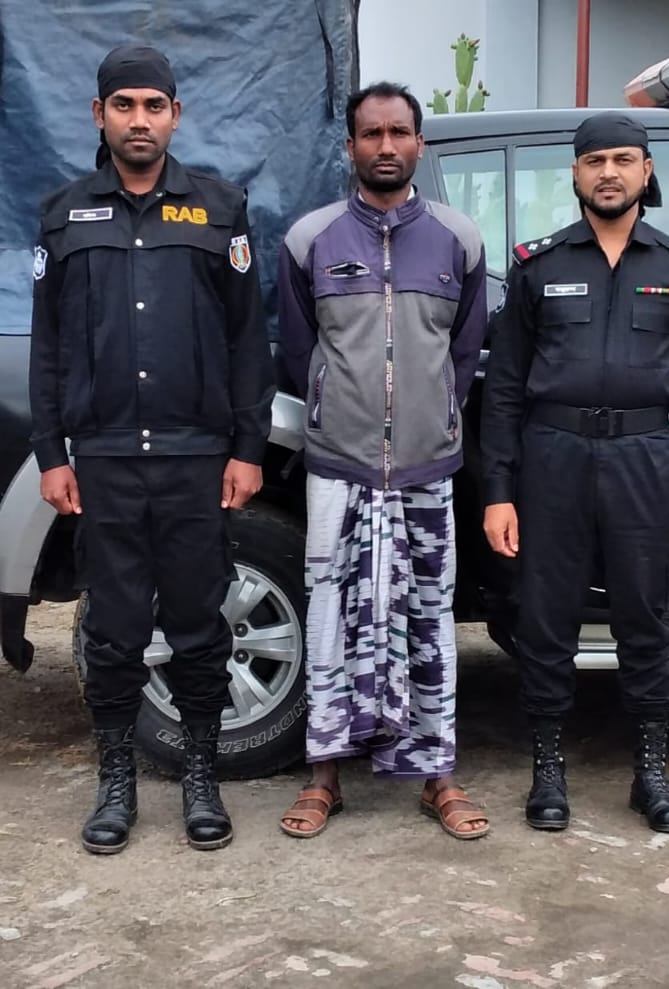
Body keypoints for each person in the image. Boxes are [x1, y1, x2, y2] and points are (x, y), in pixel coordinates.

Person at [29, 45, 275, 854]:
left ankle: (202, 776)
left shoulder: (219, 211)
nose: (140, 120)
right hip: (104, 460)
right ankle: (116, 781)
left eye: (154, 105)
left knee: (201, 625)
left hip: (195, 458)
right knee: (113, 629)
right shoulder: (64, 215)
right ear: (98, 114)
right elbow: (49, 346)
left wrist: (247, 446)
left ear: (176, 115)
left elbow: (247, 340)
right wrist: (52, 453)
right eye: (125, 105)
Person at [481, 111, 669, 834]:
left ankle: (649, 773)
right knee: (545, 619)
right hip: (552, 458)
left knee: (645, 619)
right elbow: (503, 391)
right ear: (576, 174)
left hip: (644, 459)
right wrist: (498, 492)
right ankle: (547, 771)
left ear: (646, 171)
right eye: (595, 161)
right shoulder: (539, 266)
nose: (609, 173)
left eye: (623, 160)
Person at [276, 82, 490, 840]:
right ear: (350, 147)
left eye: (400, 132)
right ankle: (324, 776)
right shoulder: (311, 239)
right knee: (331, 616)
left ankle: (438, 775)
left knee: (429, 619)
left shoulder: (458, 239)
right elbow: (299, 351)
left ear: (419, 144)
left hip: (428, 469)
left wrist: (433, 414)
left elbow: (464, 352)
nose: (387, 146)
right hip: (339, 468)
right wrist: (337, 409)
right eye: (372, 134)